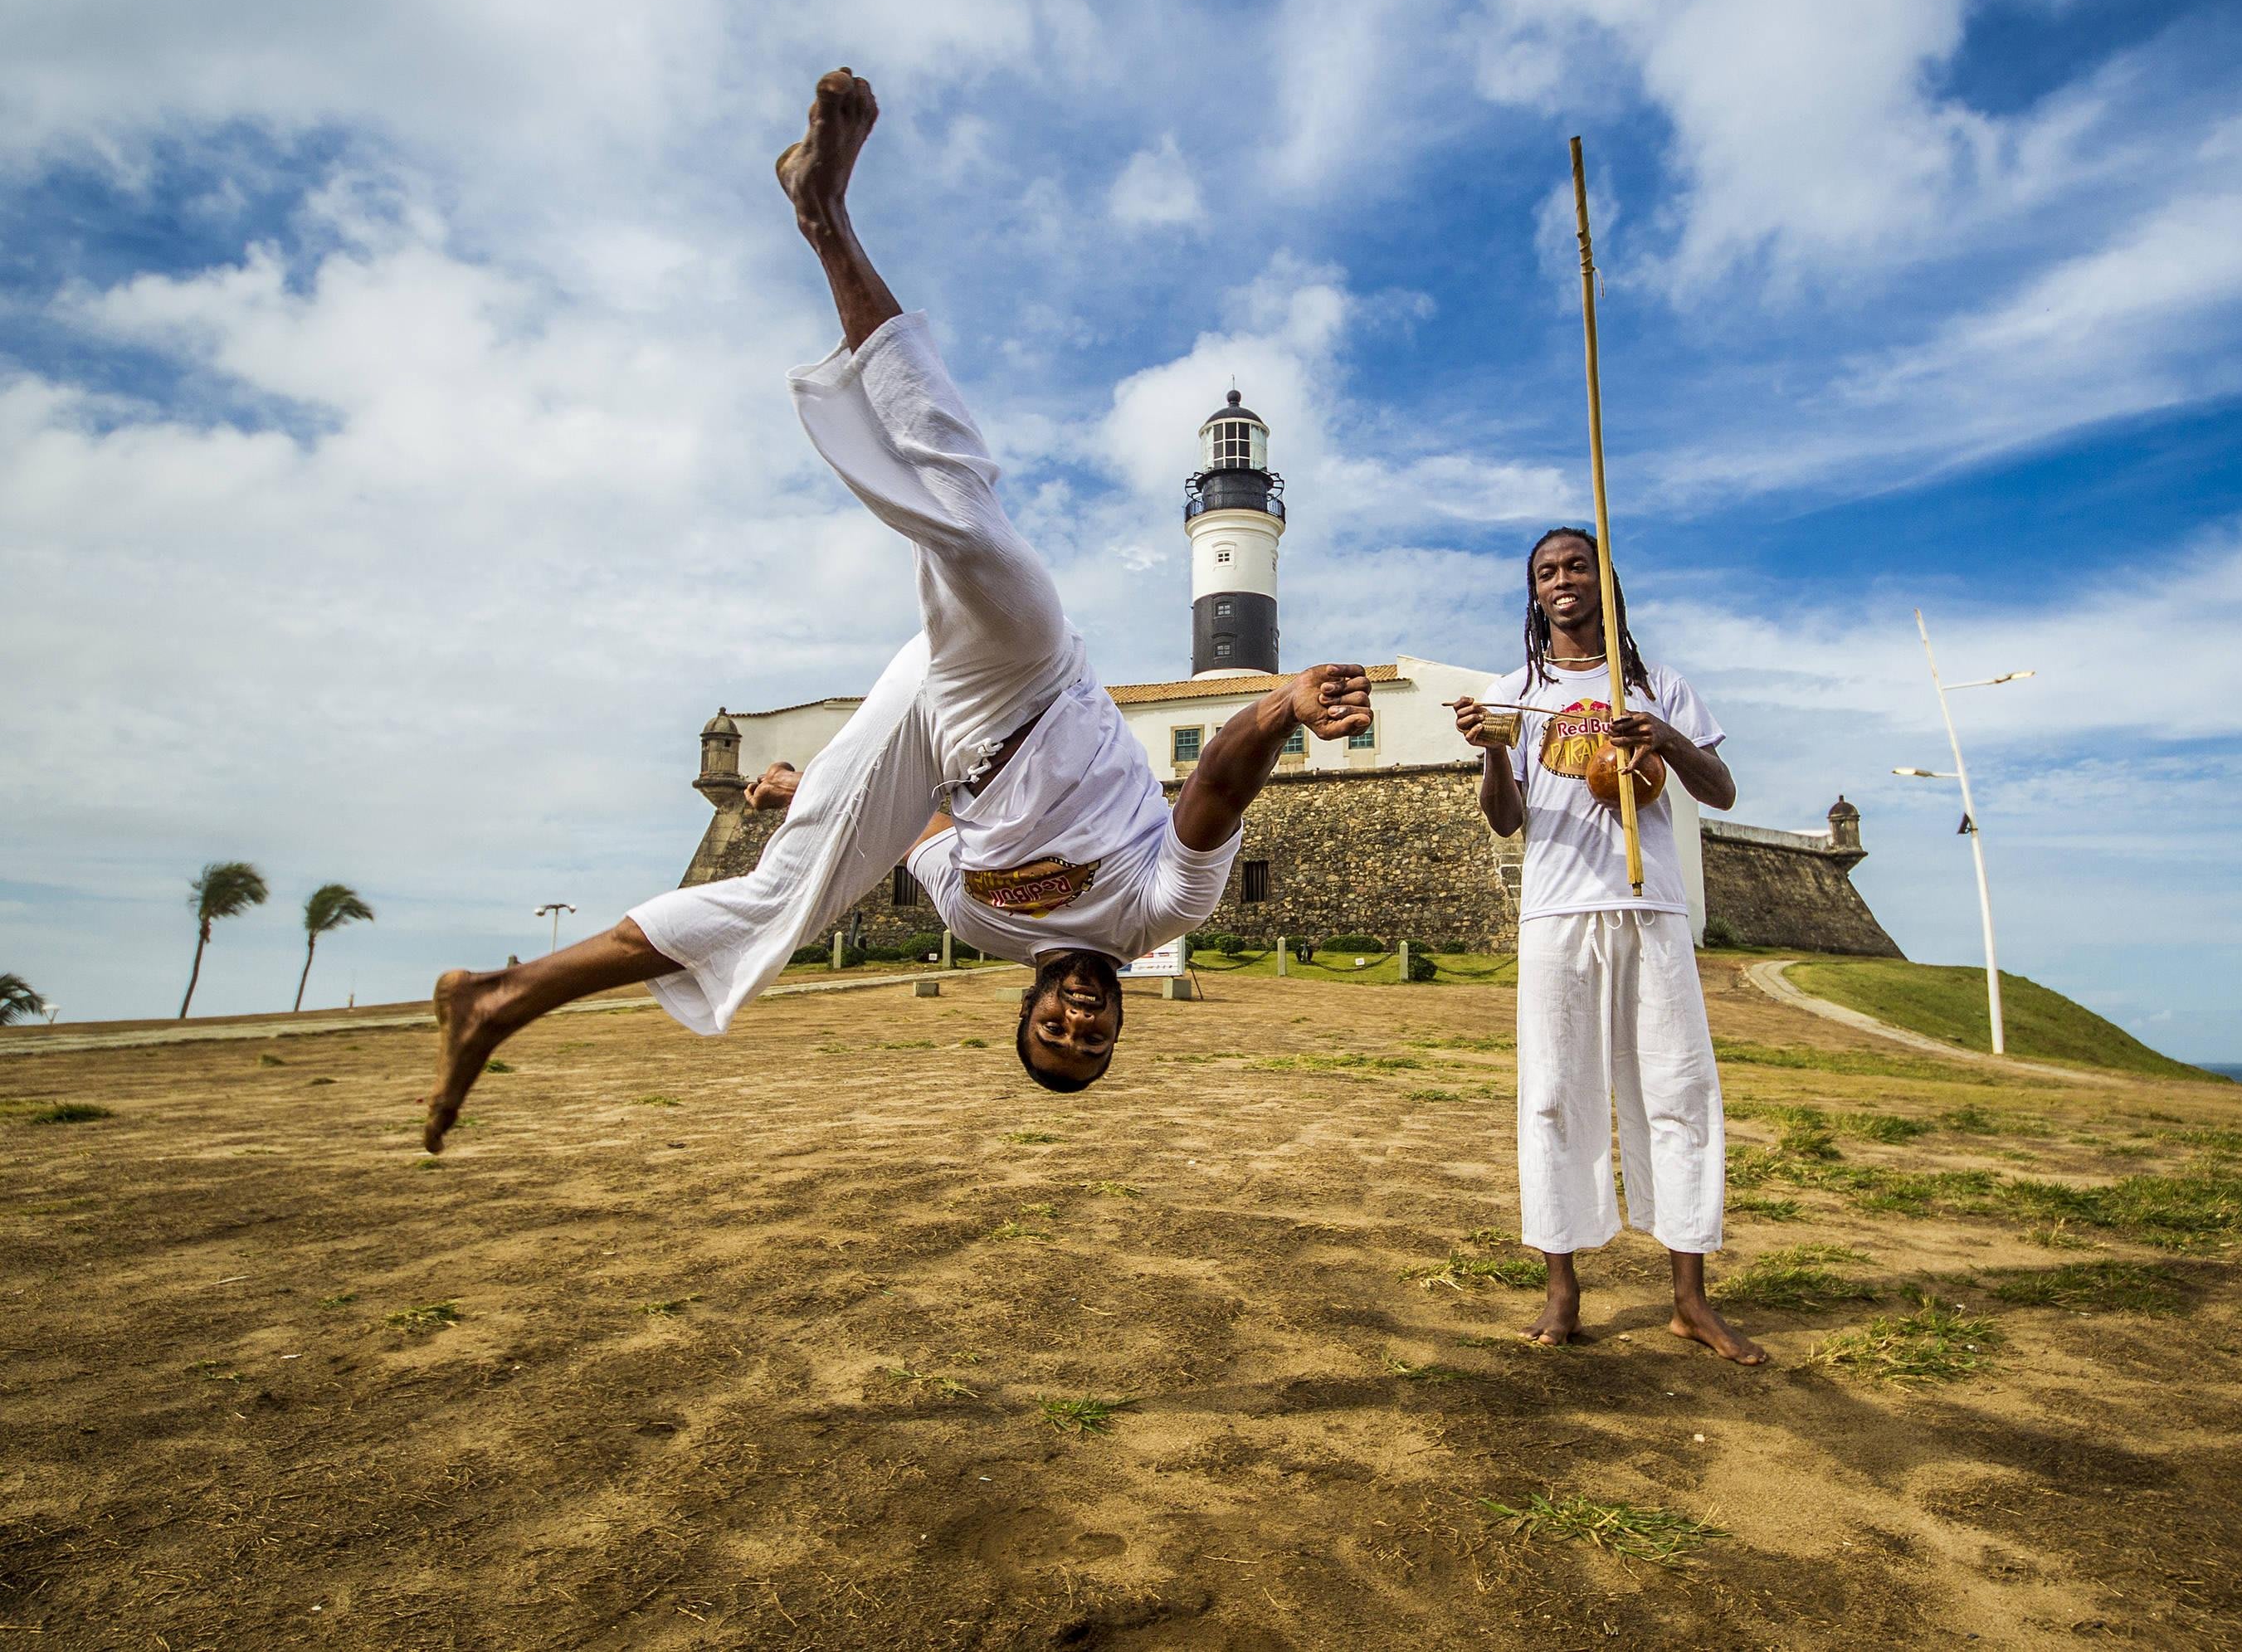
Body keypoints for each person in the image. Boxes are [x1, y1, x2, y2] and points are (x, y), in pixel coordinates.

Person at [424, 68, 1371, 1152]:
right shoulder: (1160, 911)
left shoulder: (978, 919)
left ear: (1022, 1008)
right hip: (1031, 677)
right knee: (963, 522)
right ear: (1113, 1023)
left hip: (935, 730)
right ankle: (825, 219)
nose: (1076, 1020)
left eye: (1053, 1035)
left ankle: (498, 1000)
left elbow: (913, 824)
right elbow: (1210, 782)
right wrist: (1282, 703)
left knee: (782, 899)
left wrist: (807, 789)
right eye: (1089, 1039)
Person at [1450, 527, 1762, 1362]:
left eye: (1575, 566)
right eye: (1546, 571)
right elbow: (1506, 818)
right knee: (1552, 1096)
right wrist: (1489, 754)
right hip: (1556, 912)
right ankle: (1561, 1292)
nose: (1561, 580)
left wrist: (1661, 737)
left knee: (1676, 1092)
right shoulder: (1512, 692)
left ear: (1602, 581)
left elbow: (1722, 791)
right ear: (1533, 592)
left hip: (1649, 905)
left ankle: (1689, 1298)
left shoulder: (1657, 686)